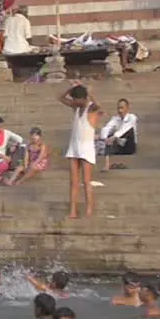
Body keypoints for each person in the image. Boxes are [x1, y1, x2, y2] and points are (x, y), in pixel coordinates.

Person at [60, 83, 100, 219]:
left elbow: (98, 106)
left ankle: (89, 211)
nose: (74, 102)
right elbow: (61, 98)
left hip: (86, 148)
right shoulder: (76, 108)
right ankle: (72, 211)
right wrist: (71, 88)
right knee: (73, 182)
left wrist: (89, 93)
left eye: (76, 99)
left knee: (86, 181)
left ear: (83, 98)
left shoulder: (91, 108)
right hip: (74, 147)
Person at [99, 98, 138, 170]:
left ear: (127, 108)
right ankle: (107, 164)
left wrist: (114, 137)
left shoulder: (132, 117)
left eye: (122, 108)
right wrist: (105, 138)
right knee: (108, 135)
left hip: (129, 146)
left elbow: (126, 128)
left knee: (129, 130)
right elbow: (106, 128)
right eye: (118, 108)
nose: (120, 111)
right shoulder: (115, 119)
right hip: (119, 146)